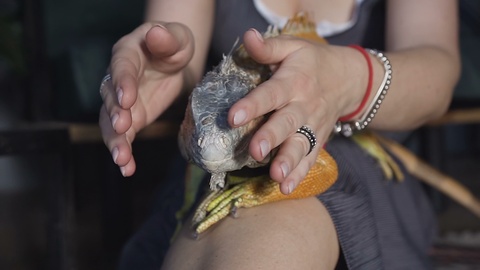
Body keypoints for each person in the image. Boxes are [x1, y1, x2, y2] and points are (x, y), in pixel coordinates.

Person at [98, 0, 460, 269]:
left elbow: (438, 73)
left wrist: (346, 81)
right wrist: (161, 65)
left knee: (271, 220)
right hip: (222, 154)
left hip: (356, 152)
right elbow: (178, 53)